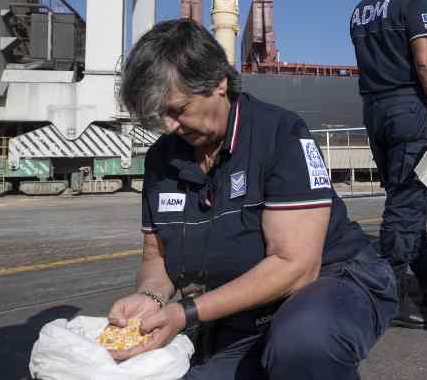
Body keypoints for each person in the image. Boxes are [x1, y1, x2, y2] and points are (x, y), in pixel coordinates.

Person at [107, 19, 398, 379]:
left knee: (304, 342)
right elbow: (158, 257)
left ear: (219, 83)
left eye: (177, 109)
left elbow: (296, 267)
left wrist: (186, 312)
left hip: (329, 283)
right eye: (157, 116)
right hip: (240, 310)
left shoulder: (279, 134)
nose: (168, 127)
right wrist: (149, 298)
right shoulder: (161, 159)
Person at [349, 0, 427, 329]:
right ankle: (388, 295)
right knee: (409, 205)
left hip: (374, 110)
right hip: (407, 109)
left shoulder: (359, 10)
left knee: (407, 201)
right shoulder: (414, 1)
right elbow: (426, 60)